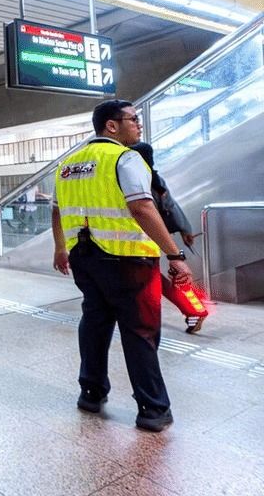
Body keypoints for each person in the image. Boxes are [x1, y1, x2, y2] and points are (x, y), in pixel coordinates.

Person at [51, 100, 194, 433]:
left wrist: (60, 247)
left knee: (95, 323)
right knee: (140, 331)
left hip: (83, 258)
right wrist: (174, 255)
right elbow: (142, 207)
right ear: (110, 126)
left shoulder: (69, 164)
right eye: (133, 119)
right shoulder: (125, 158)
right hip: (127, 260)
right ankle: (152, 409)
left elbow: (57, 211)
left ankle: (90, 393)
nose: (139, 125)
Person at [131, 142, 209, 334]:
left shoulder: (135, 179)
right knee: (159, 279)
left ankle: (194, 309)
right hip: (155, 237)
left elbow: (142, 210)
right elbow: (171, 206)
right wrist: (184, 228)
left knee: (157, 281)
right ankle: (194, 308)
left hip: (140, 238)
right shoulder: (155, 179)